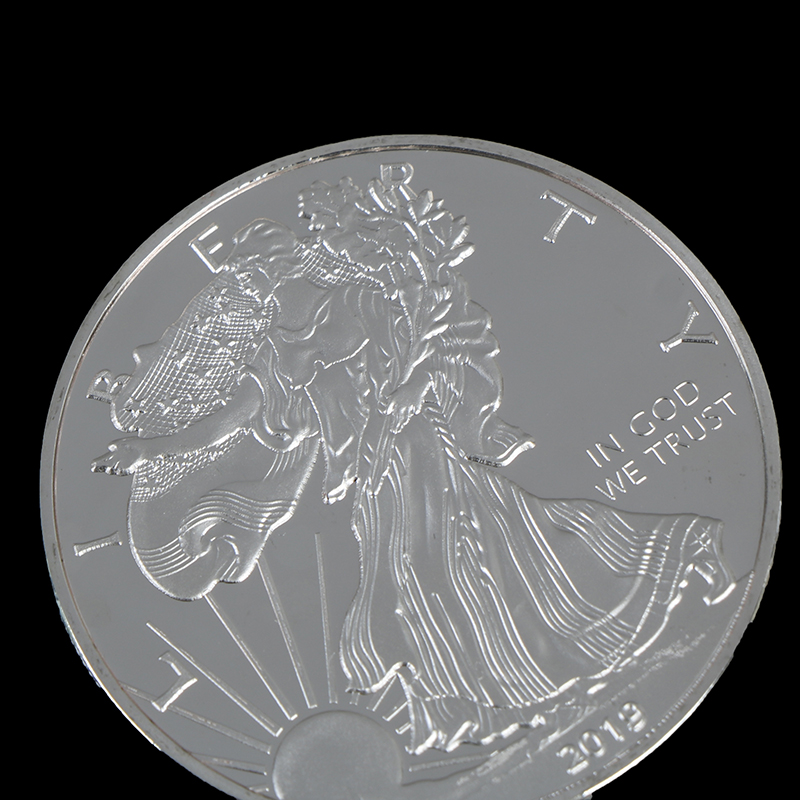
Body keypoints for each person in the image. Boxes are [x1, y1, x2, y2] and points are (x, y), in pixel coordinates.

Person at [92, 165, 735, 755]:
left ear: (278, 262)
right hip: (373, 475)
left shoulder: (362, 298)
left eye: (253, 272)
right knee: (421, 572)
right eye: (245, 278)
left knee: (447, 560)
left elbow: (443, 337)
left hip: (415, 446)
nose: (249, 286)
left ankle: (634, 581)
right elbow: (223, 424)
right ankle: (470, 703)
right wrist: (149, 449)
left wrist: (412, 389)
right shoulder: (272, 352)